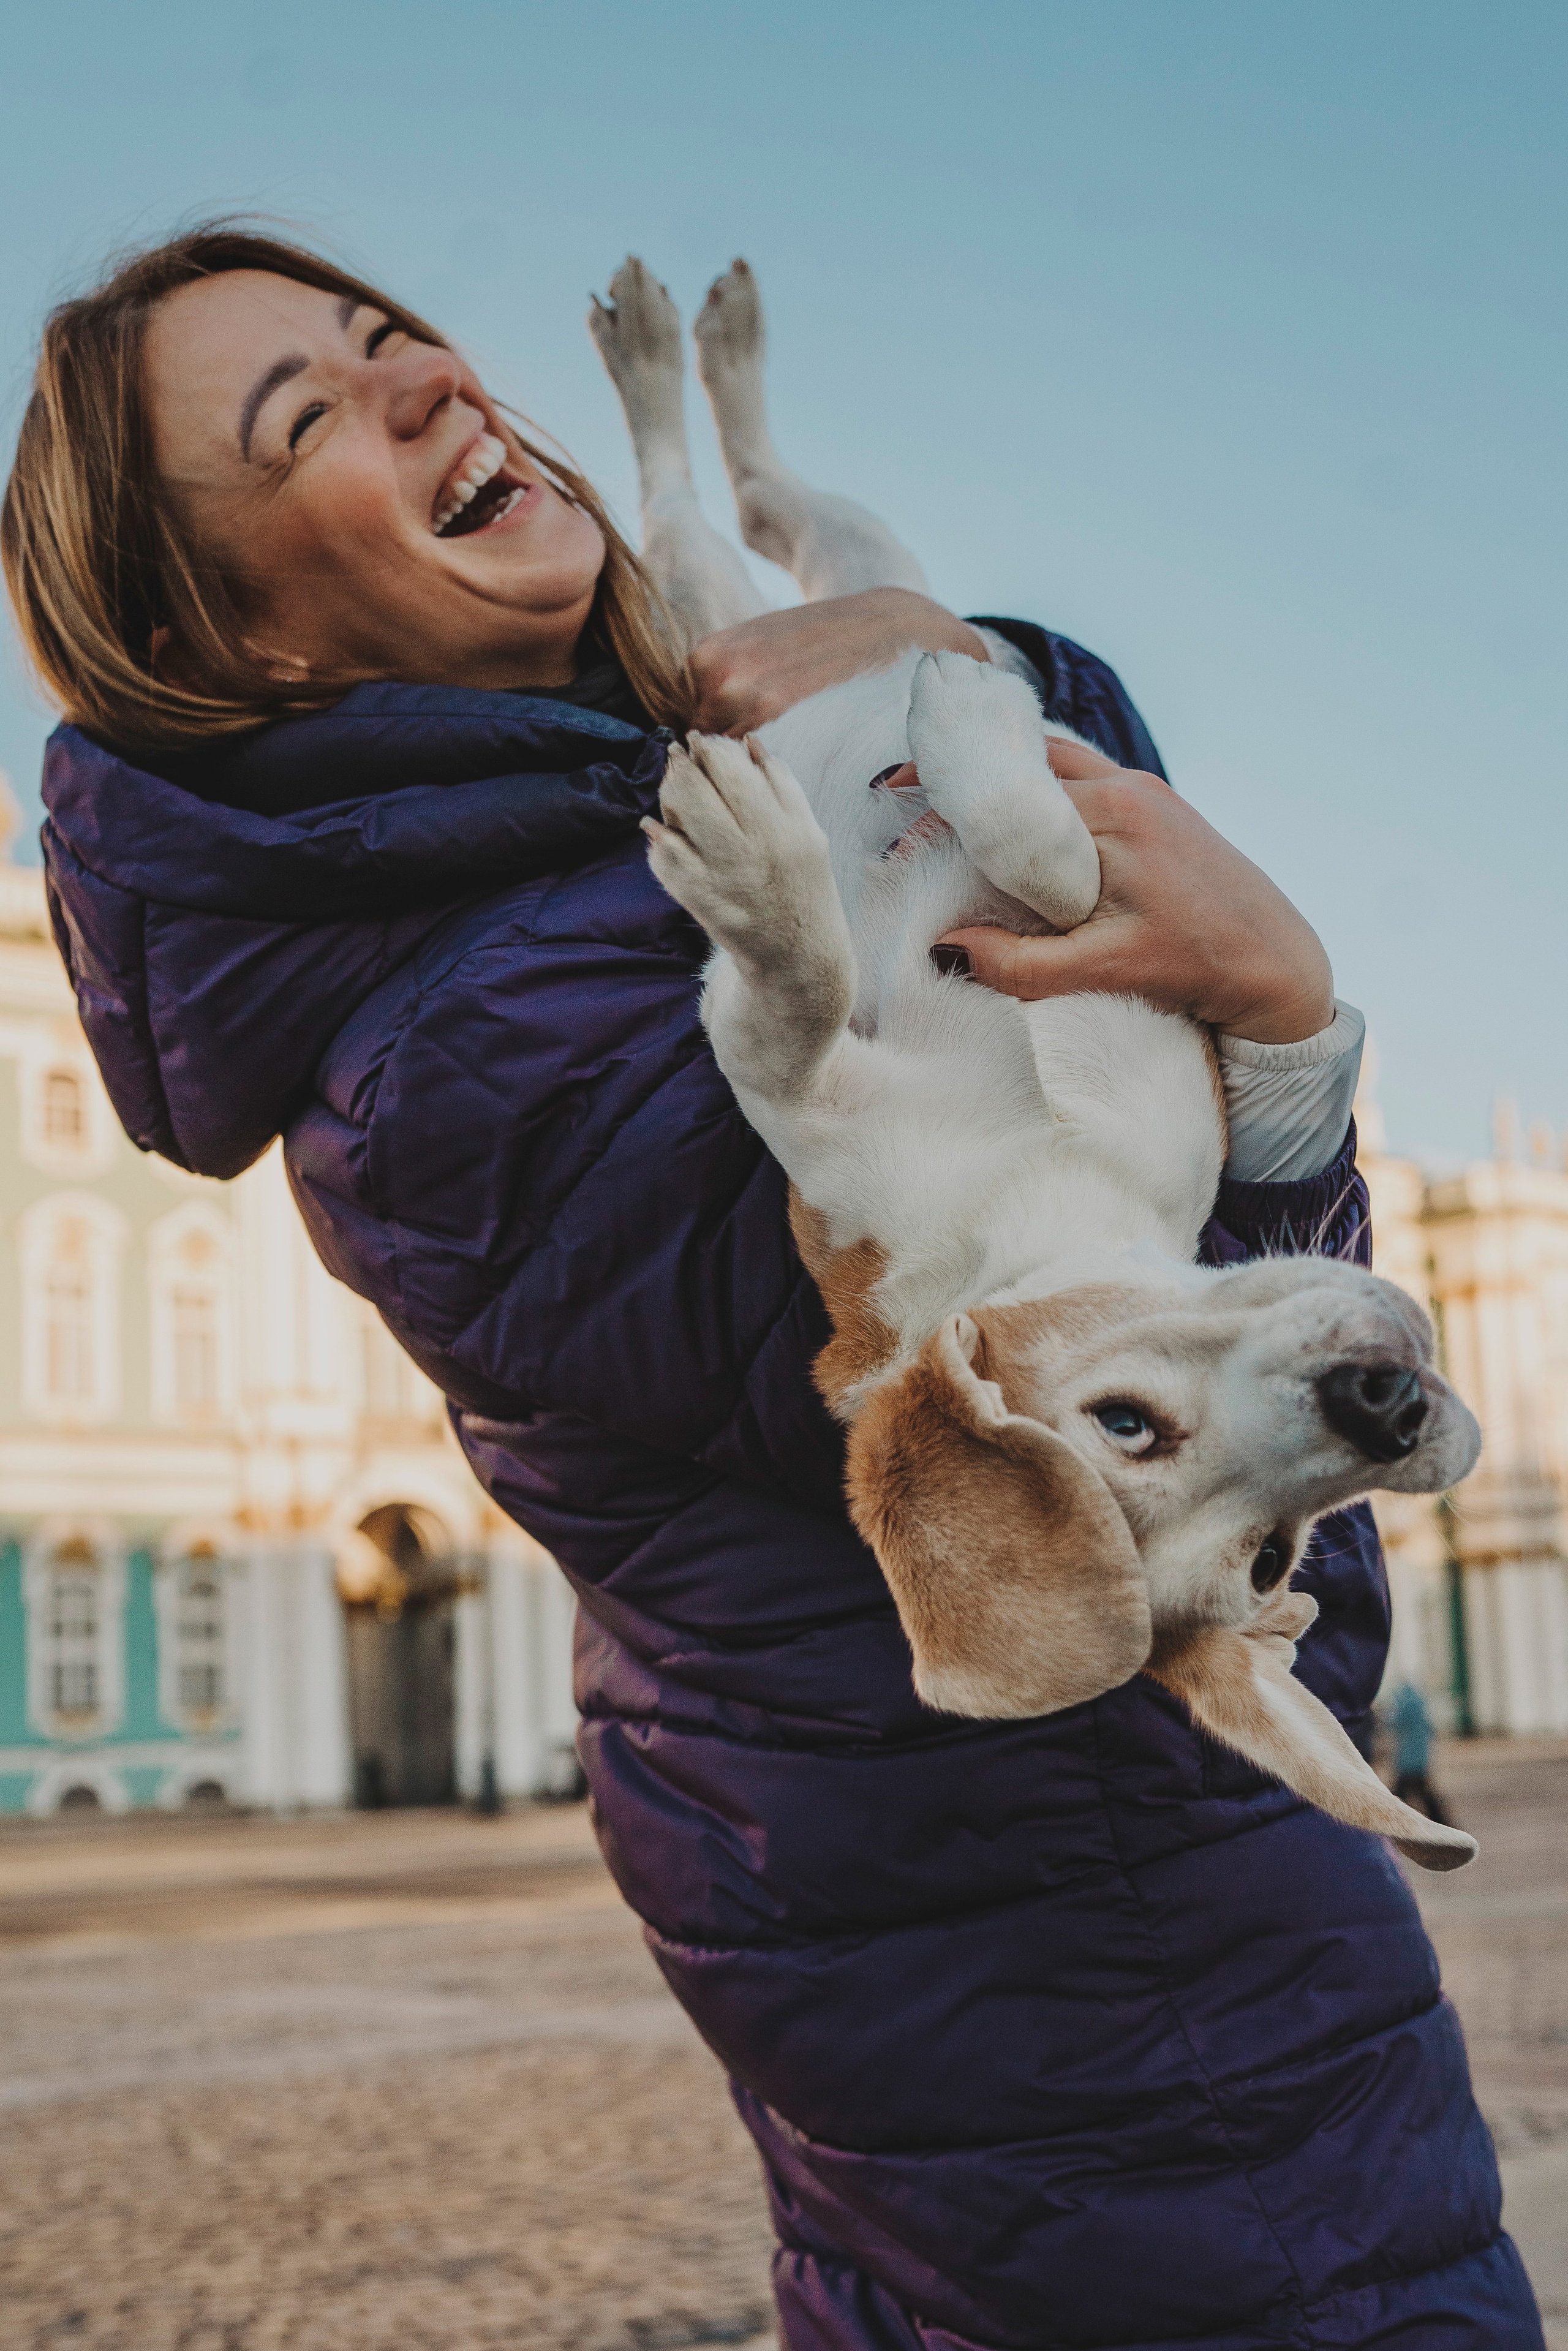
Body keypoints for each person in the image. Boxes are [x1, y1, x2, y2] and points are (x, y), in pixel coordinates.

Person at [1, 227, 1541, 2351]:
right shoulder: (489, 1042)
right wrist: (1260, 1034)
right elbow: (1237, 1553)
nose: (426, 376)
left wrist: (950, 692)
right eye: (308, 416)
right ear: (230, 638)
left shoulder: (574, 874)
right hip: (1132, 2083)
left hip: (1112, 2049)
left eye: (388, 333)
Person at [1392, 1678, 1455, 1824]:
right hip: (1420, 1759)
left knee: (1401, 1793)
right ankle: (1442, 1822)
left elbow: (1396, 1724)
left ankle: (1393, 1820)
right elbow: (1431, 1730)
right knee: (1421, 1792)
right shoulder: (1421, 1706)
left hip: (1407, 1760)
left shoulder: (1405, 1706)